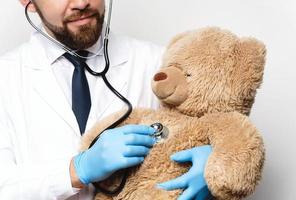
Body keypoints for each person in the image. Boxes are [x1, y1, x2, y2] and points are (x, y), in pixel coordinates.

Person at [0, 0, 212, 199]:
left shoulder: (159, 63)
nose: (81, 3)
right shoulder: (6, 77)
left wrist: (214, 163)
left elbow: (220, 131)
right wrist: (76, 170)